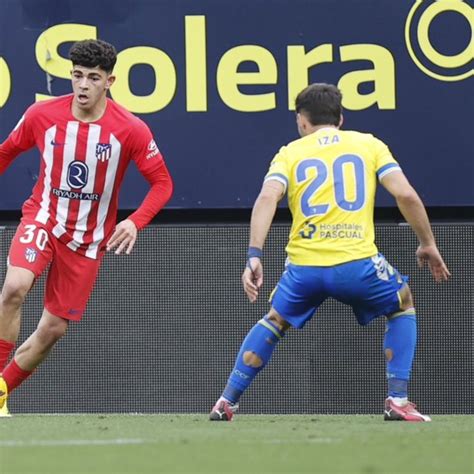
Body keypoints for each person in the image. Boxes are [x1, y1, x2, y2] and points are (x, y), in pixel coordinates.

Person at [210, 83, 450, 422]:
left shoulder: (290, 152)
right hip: (357, 264)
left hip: (304, 268)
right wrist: (428, 242)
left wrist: (254, 254)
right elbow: (406, 195)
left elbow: (267, 198)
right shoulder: (369, 144)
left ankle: (226, 401)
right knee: (402, 304)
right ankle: (397, 399)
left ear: (301, 121)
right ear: (341, 118)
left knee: (275, 321)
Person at [0, 39, 173, 416]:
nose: (82, 86)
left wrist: (134, 221)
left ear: (109, 81)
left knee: (53, 330)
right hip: (43, 218)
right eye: (77, 76)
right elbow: (7, 151)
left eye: (92, 78)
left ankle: (2, 389)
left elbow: (163, 183)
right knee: (14, 287)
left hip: (87, 240)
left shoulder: (130, 129)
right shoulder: (41, 114)